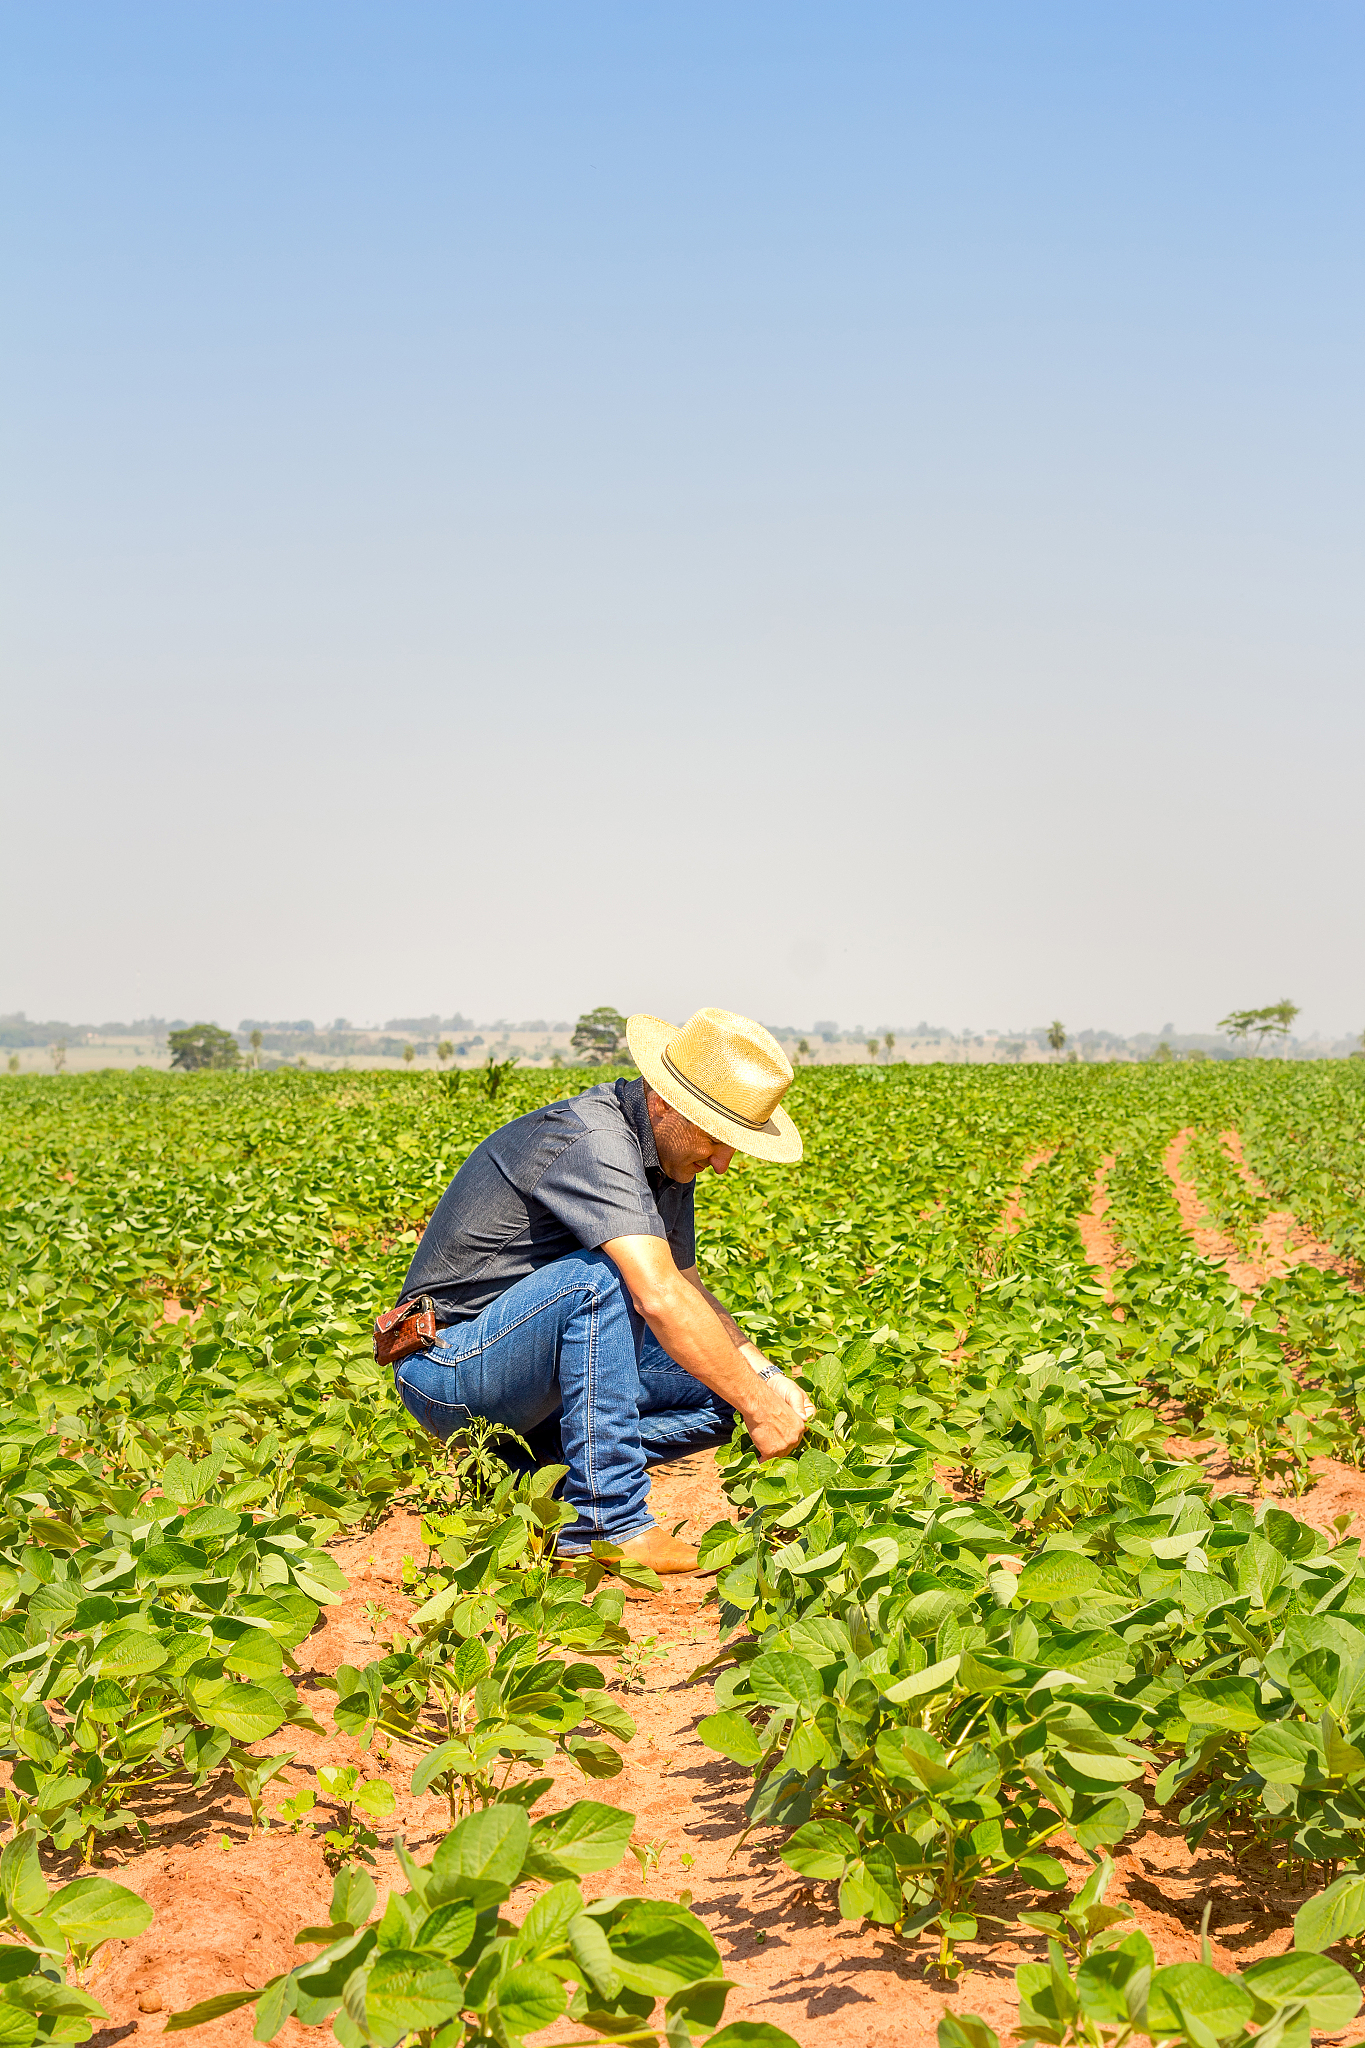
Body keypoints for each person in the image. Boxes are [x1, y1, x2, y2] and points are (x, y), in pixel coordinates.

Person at [384, 1007, 814, 1571]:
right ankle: (607, 1522)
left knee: (722, 1386)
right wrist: (761, 1409)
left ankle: (536, 1473)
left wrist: (764, 1380)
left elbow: (687, 1286)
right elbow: (657, 1295)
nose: (724, 1163)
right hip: (449, 1367)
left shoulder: (667, 1157)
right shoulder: (595, 1141)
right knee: (598, 1283)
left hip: (532, 1369)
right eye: (717, 1138)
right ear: (666, 1102)